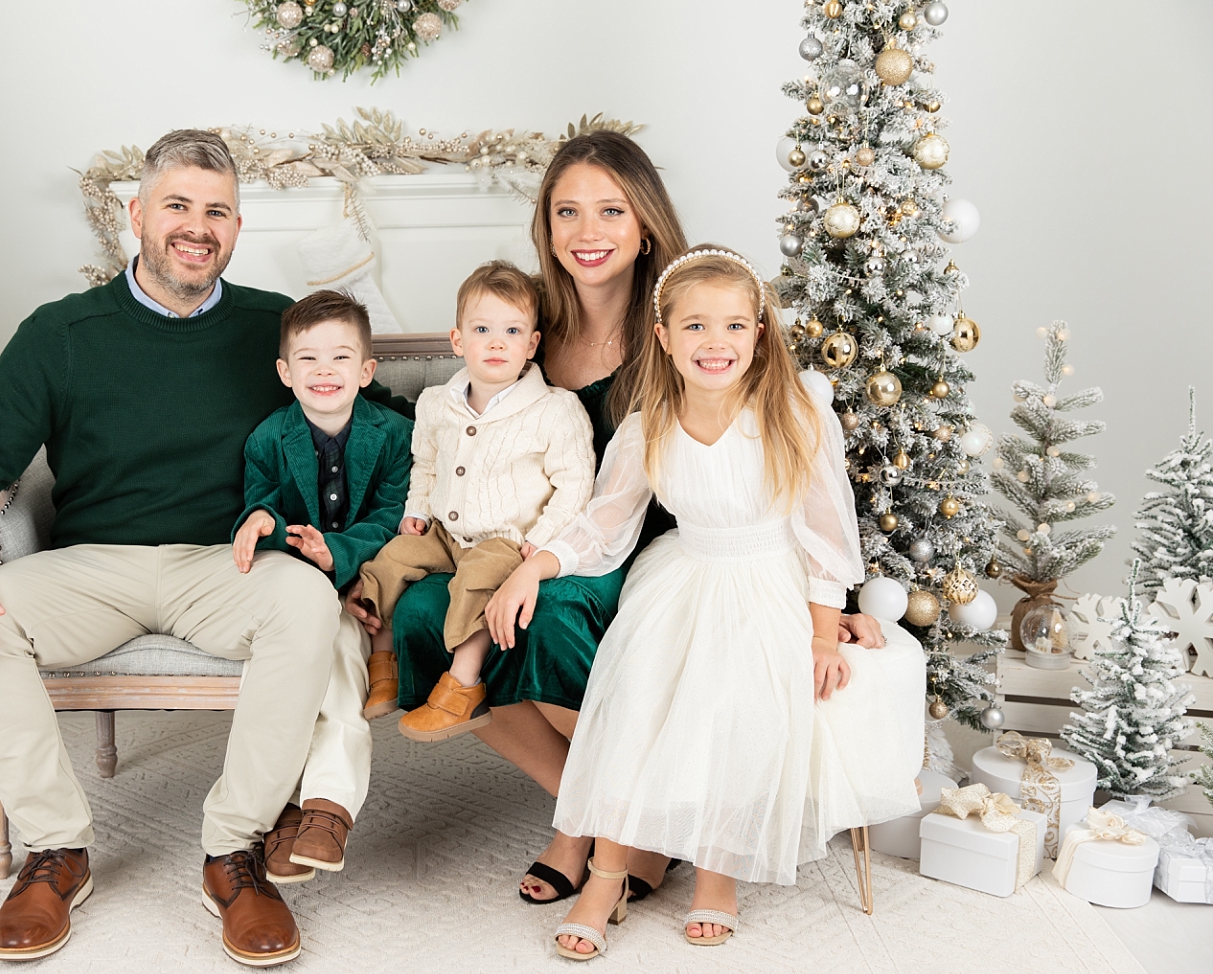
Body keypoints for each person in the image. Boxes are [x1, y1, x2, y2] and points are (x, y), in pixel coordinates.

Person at [350, 132, 887, 907]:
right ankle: (605, 821)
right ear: (546, 225)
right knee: (433, 611)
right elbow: (442, 418)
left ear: (645, 225)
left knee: (552, 615)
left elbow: (786, 462)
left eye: (611, 210)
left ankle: (587, 832)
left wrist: (836, 607)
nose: (588, 231)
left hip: (659, 549)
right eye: (567, 211)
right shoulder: (522, 320)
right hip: (544, 540)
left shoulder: (686, 317)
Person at [0, 130, 406, 968]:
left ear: (237, 228)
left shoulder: (269, 327)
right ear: (137, 214)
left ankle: (234, 851)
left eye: (216, 211)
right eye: (177, 205)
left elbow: (372, 403)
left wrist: (480, 417)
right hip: (93, 564)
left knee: (304, 601)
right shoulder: (61, 333)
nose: (196, 226)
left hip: (228, 562)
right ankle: (56, 849)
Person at [485, 246, 923, 960]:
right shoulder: (648, 422)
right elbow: (606, 522)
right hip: (683, 574)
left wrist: (819, 634)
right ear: (662, 336)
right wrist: (538, 563)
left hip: (766, 583)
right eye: (694, 327)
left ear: (758, 333)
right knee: (634, 706)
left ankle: (717, 870)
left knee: (730, 709)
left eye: (731, 326)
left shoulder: (791, 414)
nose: (714, 343)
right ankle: (606, 873)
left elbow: (823, 538)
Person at [355, 262, 595, 742]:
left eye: (512, 331)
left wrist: (542, 541)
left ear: (532, 343)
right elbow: (425, 464)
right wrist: (416, 512)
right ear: (458, 340)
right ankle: (384, 665)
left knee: (476, 583)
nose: (497, 342)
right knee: (387, 563)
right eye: (482, 330)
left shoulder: (554, 408)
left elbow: (576, 484)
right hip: (444, 530)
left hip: (508, 539)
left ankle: (463, 685)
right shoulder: (434, 403)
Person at [231, 289, 413, 882]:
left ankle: (324, 808)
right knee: (305, 653)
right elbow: (259, 509)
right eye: (308, 359)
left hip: (362, 578)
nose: (324, 372)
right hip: (293, 587)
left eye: (340, 358)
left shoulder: (394, 434)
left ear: (366, 370)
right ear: (285, 373)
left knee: (335, 647)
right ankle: (300, 810)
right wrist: (268, 526)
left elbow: (393, 518)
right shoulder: (267, 439)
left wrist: (336, 554)